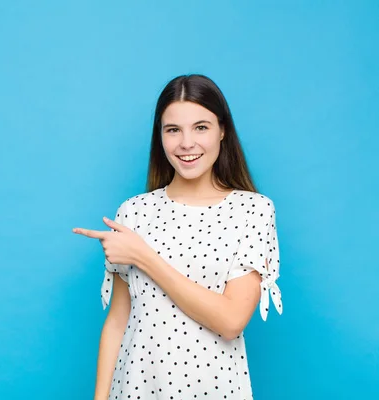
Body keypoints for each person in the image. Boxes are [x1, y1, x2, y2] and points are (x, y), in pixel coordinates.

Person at [73, 74, 283, 400]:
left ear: (222, 130)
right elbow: (118, 321)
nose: (186, 143)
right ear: (160, 137)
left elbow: (231, 321)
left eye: (201, 127)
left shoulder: (253, 211)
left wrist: (144, 256)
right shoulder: (134, 212)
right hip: (135, 390)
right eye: (173, 130)